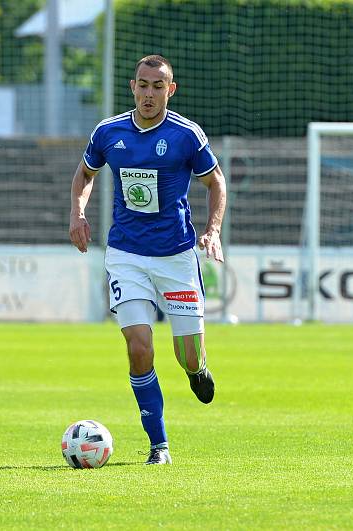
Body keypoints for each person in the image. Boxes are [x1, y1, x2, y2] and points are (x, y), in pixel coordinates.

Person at [68, 54, 226, 465]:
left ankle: (196, 370)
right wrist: (78, 213)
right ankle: (160, 445)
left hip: (176, 256)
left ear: (170, 90)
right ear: (132, 87)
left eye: (158, 86)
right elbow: (85, 174)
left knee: (187, 355)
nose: (149, 93)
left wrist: (213, 231)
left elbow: (215, 182)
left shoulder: (186, 136)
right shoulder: (109, 132)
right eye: (143, 84)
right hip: (126, 255)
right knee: (139, 347)